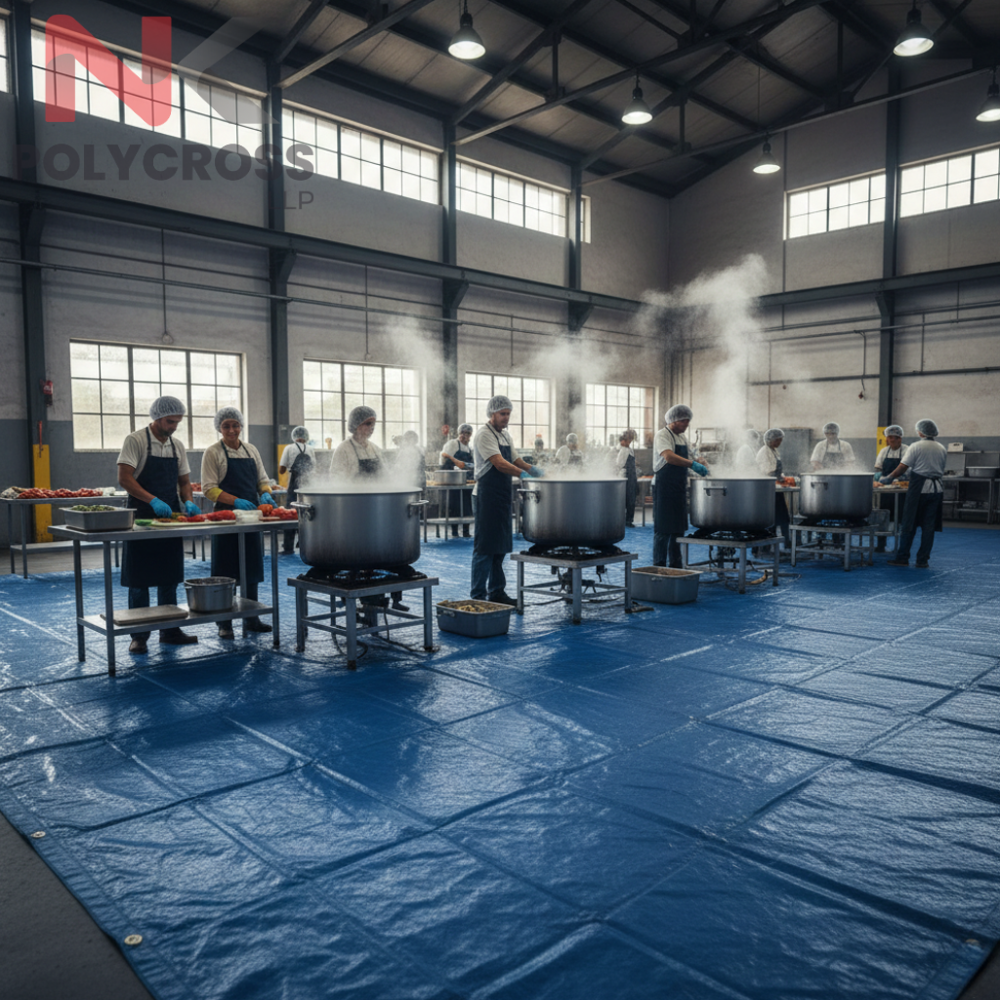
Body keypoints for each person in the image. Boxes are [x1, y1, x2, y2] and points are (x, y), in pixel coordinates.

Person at [117, 396, 201, 655]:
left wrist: (187, 501)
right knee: (139, 579)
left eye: (178, 422)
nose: (174, 426)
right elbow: (124, 478)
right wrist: (152, 499)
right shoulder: (136, 440)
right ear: (157, 417)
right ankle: (139, 636)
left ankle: (170, 630)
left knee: (169, 576)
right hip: (142, 515)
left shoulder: (177, 446)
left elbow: (184, 481)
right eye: (170, 421)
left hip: (170, 518)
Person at [201, 407, 276, 638]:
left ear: (241, 426)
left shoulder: (251, 450)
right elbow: (209, 489)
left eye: (235, 425)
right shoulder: (213, 452)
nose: (232, 430)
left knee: (251, 569)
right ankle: (225, 623)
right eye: (226, 426)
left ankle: (251, 619)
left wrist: (265, 493)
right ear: (219, 428)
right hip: (225, 517)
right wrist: (236, 501)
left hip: (251, 517)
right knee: (226, 570)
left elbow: (263, 479)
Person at [471, 395, 543, 604]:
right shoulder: (484, 434)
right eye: (502, 414)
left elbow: (514, 458)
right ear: (492, 414)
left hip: (501, 495)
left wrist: (532, 469)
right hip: (486, 495)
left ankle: (497, 591)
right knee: (485, 547)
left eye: (508, 414)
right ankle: (477, 595)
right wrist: (522, 475)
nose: (506, 417)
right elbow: (499, 462)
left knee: (499, 547)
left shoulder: (505, 436)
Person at [882, 418, 947, 568]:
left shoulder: (916, 446)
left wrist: (889, 478)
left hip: (919, 489)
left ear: (920, 432)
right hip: (937, 489)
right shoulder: (941, 448)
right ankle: (923, 560)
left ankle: (902, 557)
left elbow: (902, 468)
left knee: (908, 524)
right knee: (928, 527)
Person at [653, 405, 708, 568]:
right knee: (663, 530)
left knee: (678, 528)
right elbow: (669, 457)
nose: (686, 425)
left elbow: (691, 456)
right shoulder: (663, 435)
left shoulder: (682, 438)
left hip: (678, 487)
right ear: (674, 421)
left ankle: (676, 564)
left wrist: (700, 461)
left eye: (688, 422)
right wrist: (693, 464)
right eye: (684, 422)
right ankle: (659, 565)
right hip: (664, 487)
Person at [278, 426, 315, 554]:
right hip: (308, 487)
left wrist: (287, 468)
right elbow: (314, 469)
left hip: (294, 486)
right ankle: (304, 543)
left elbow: (281, 469)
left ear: (294, 436)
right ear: (306, 436)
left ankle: (288, 547)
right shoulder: (310, 449)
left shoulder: (289, 448)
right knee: (306, 515)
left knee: (291, 514)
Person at [873, 424, 905, 553]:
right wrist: (876, 480)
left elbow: (906, 469)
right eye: (889, 437)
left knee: (901, 517)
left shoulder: (906, 450)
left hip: (901, 490)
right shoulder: (884, 451)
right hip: (885, 491)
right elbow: (878, 469)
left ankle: (902, 546)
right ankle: (881, 544)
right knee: (883, 517)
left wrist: (897, 480)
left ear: (900, 439)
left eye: (894, 438)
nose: (891, 440)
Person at [440, 423, 474, 538]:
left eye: (467, 434)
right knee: (454, 505)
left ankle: (466, 530)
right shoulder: (452, 444)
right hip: (452, 479)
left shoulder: (470, 449)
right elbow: (444, 456)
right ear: (458, 434)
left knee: (467, 506)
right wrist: (455, 462)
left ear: (470, 435)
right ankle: (454, 531)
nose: (464, 436)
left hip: (466, 480)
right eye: (462, 433)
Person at [756, 427, 790, 541]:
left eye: (780, 440)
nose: (779, 443)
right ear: (770, 440)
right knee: (772, 519)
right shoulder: (764, 452)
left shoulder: (774, 451)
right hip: (767, 489)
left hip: (776, 488)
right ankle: (766, 546)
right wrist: (779, 478)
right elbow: (768, 471)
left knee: (783, 517)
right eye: (777, 440)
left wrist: (783, 477)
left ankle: (786, 542)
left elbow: (776, 469)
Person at [332, 405, 381, 479]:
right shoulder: (343, 449)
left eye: (373, 424)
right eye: (368, 423)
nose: (372, 427)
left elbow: (385, 475)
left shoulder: (375, 449)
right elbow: (336, 478)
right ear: (357, 425)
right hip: (353, 490)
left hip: (376, 490)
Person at [615, 429, 638, 527]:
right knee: (627, 499)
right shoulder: (623, 450)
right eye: (629, 439)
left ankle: (629, 519)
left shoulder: (630, 450)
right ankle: (626, 520)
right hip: (626, 477)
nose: (629, 442)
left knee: (631, 499)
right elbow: (619, 465)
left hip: (632, 477)